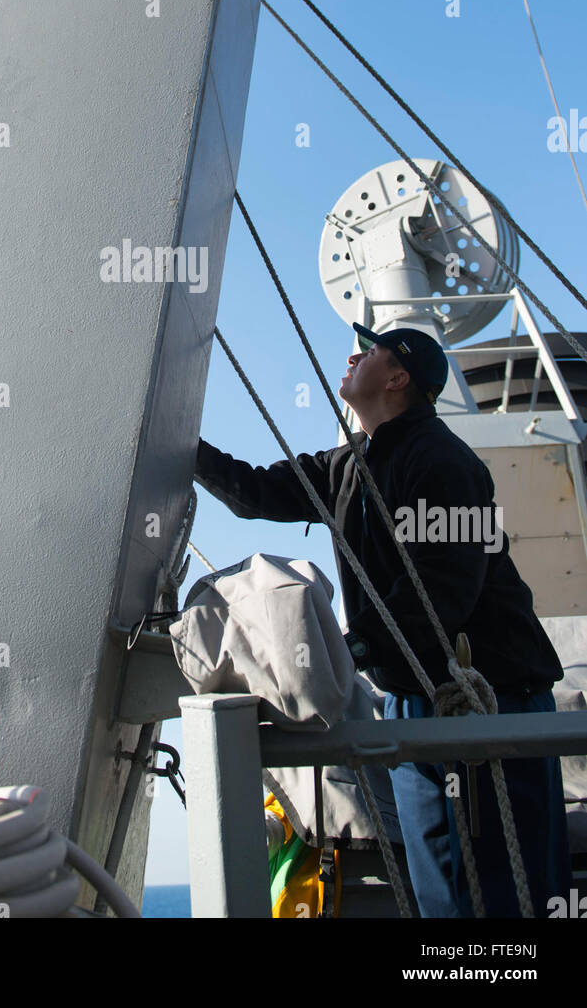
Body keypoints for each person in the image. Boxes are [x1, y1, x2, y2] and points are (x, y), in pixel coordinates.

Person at [194, 321, 571, 918]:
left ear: (398, 377)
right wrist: (181, 447)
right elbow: (255, 493)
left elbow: (445, 583)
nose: (352, 356)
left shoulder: (443, 461)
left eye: (370, 351)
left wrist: (351, 654)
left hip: (488, 699)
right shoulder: (348, 466)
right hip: (412, 702)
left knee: (502, 893)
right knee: (441, 892)